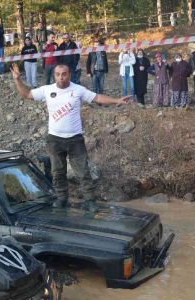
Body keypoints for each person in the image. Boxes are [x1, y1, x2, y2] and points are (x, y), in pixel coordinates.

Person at [11, 63, 131, 212]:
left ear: (70, 74)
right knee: (58, 172)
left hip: (75, 140)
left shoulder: (78, 89)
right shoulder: (47, 90)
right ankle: (62, 198)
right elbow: (27, 94)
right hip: (54, 139)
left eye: (64, 74)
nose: (61, 77)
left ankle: (90, 200)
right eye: (58, 74)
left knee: (83, 172)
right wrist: (17, 80)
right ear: (54, 76)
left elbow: (97, 97)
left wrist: (117, 100)